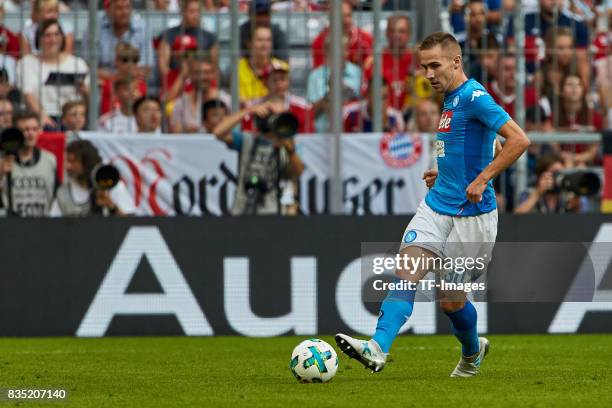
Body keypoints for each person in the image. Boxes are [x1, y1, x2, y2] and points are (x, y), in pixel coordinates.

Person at [335, 32, 529, 377]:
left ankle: (472, 352)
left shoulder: (474, 96)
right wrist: (444, 172)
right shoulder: (451, 97)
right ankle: (377, 347)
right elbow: (487, 146)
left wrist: (483, 179)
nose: (428, 74)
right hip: (437, 204)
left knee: (451, 302)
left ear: (456, 62)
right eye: (424, 67)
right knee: (406, 270)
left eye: (435, 65)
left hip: (472, 217)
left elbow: (518, 140)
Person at [212, 99, 305, 215]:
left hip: (272, 211)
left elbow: (297, 173)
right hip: (242, 209)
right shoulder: (248, 140)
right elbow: (218, 132)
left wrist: (290, 151)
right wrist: (248, 111)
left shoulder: (289, 144)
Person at [16, 19, 89, 130]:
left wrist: (85, 91)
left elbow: (88, 97)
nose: (53, 39)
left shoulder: (78, 63)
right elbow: (28, 94)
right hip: (40, 118)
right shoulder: (27, 63)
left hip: (73, 118)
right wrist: (43, 117)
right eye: (47, 35)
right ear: (38, 39)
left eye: (56, 34)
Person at [50, 140, 135, 216]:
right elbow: (54, 224)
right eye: (67, 161)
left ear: (87, 163)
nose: (67, 166)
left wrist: (110, 206)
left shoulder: (113, 187)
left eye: (72, 161)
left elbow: (130, 224)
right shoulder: (63, 192)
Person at [0, 111, 58, 216]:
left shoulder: (50, 159)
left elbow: (56, 194)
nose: (31, 133)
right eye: (25, 130)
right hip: (11, 224)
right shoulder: (3, 160)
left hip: (42, 223)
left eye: (35, 129)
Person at [83, 0, 154, 81]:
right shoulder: (94, 26)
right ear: (108, 10)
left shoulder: (143, 27)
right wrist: (114, 78)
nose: (124, 12)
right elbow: (87, 66)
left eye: (128, 7)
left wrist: (121, 78)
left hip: (133, 82)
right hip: (102, 82)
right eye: (119, 8)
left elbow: (146, 69)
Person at [157, 0, 218, 92]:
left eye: (198, 11)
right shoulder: (169, 35)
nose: (196, 15)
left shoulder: (210, 37)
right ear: (182, 12)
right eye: (191, 11)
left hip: (201, 82)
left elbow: (214, 67)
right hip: (175, 82)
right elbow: (163, 67)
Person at [306, 36, 362, 133]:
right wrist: (330, 94)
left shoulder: (357, 72)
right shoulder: (315, 76)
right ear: (328, 53)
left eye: (346, 49)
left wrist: (346, 90)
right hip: (322, 133)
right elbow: (310, 112)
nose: (345, 54)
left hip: (352, 132)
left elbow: (362, 104)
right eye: (340, 50)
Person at [242, 59, 314, 133]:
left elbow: (307, 137)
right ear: (265, 82)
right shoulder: (252, 106)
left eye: (283, 79)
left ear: (288, 81)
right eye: (274, 80)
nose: (279, 84)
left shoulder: (303, 106)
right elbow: (247, 134)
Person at [363, 15, 414, 113]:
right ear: (387, 33)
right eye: (392, 31)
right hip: (382, 117)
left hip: (411, 116)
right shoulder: (374, 61)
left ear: (409, 34)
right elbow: (366, 95)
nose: (396, 35)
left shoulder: (417, 61)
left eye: (401, 31)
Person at [168, 55, 231, 133]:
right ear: (190, 75)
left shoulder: (226, 100)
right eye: (197, 73)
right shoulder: (181, 103)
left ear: (213, 74)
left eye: (207, 72)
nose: (202, 77)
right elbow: (175, 134)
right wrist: (186, 132)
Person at [311, 0, 372, 69]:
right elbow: (320, 74)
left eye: (348, 15)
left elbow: (370, 72)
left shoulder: (366, 39)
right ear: (331, 18)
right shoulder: (320, 42)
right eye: (341, 16)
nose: (346, 20)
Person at [514, 153, 581, 214]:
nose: (559, 177)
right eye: (555, 173)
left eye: (561, 172)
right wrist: (537, 193)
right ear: (541, 175)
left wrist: (577, 206)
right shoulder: (529, 193)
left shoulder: (566, 196)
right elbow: (517, 215)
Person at [238, 25, 284, 103]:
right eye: (260, 40)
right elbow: (238, 100)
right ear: (249, 43)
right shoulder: (237, 68)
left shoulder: (282, 67)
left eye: (268, 40)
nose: (264, 44)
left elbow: (284, 99)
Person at [99, 42, 147, 115]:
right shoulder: (109, 85)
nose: (130, 64)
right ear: (116, 61)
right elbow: (107, 113)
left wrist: (139, 100)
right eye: (125, 60)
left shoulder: (142, 84)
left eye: (134, 60)